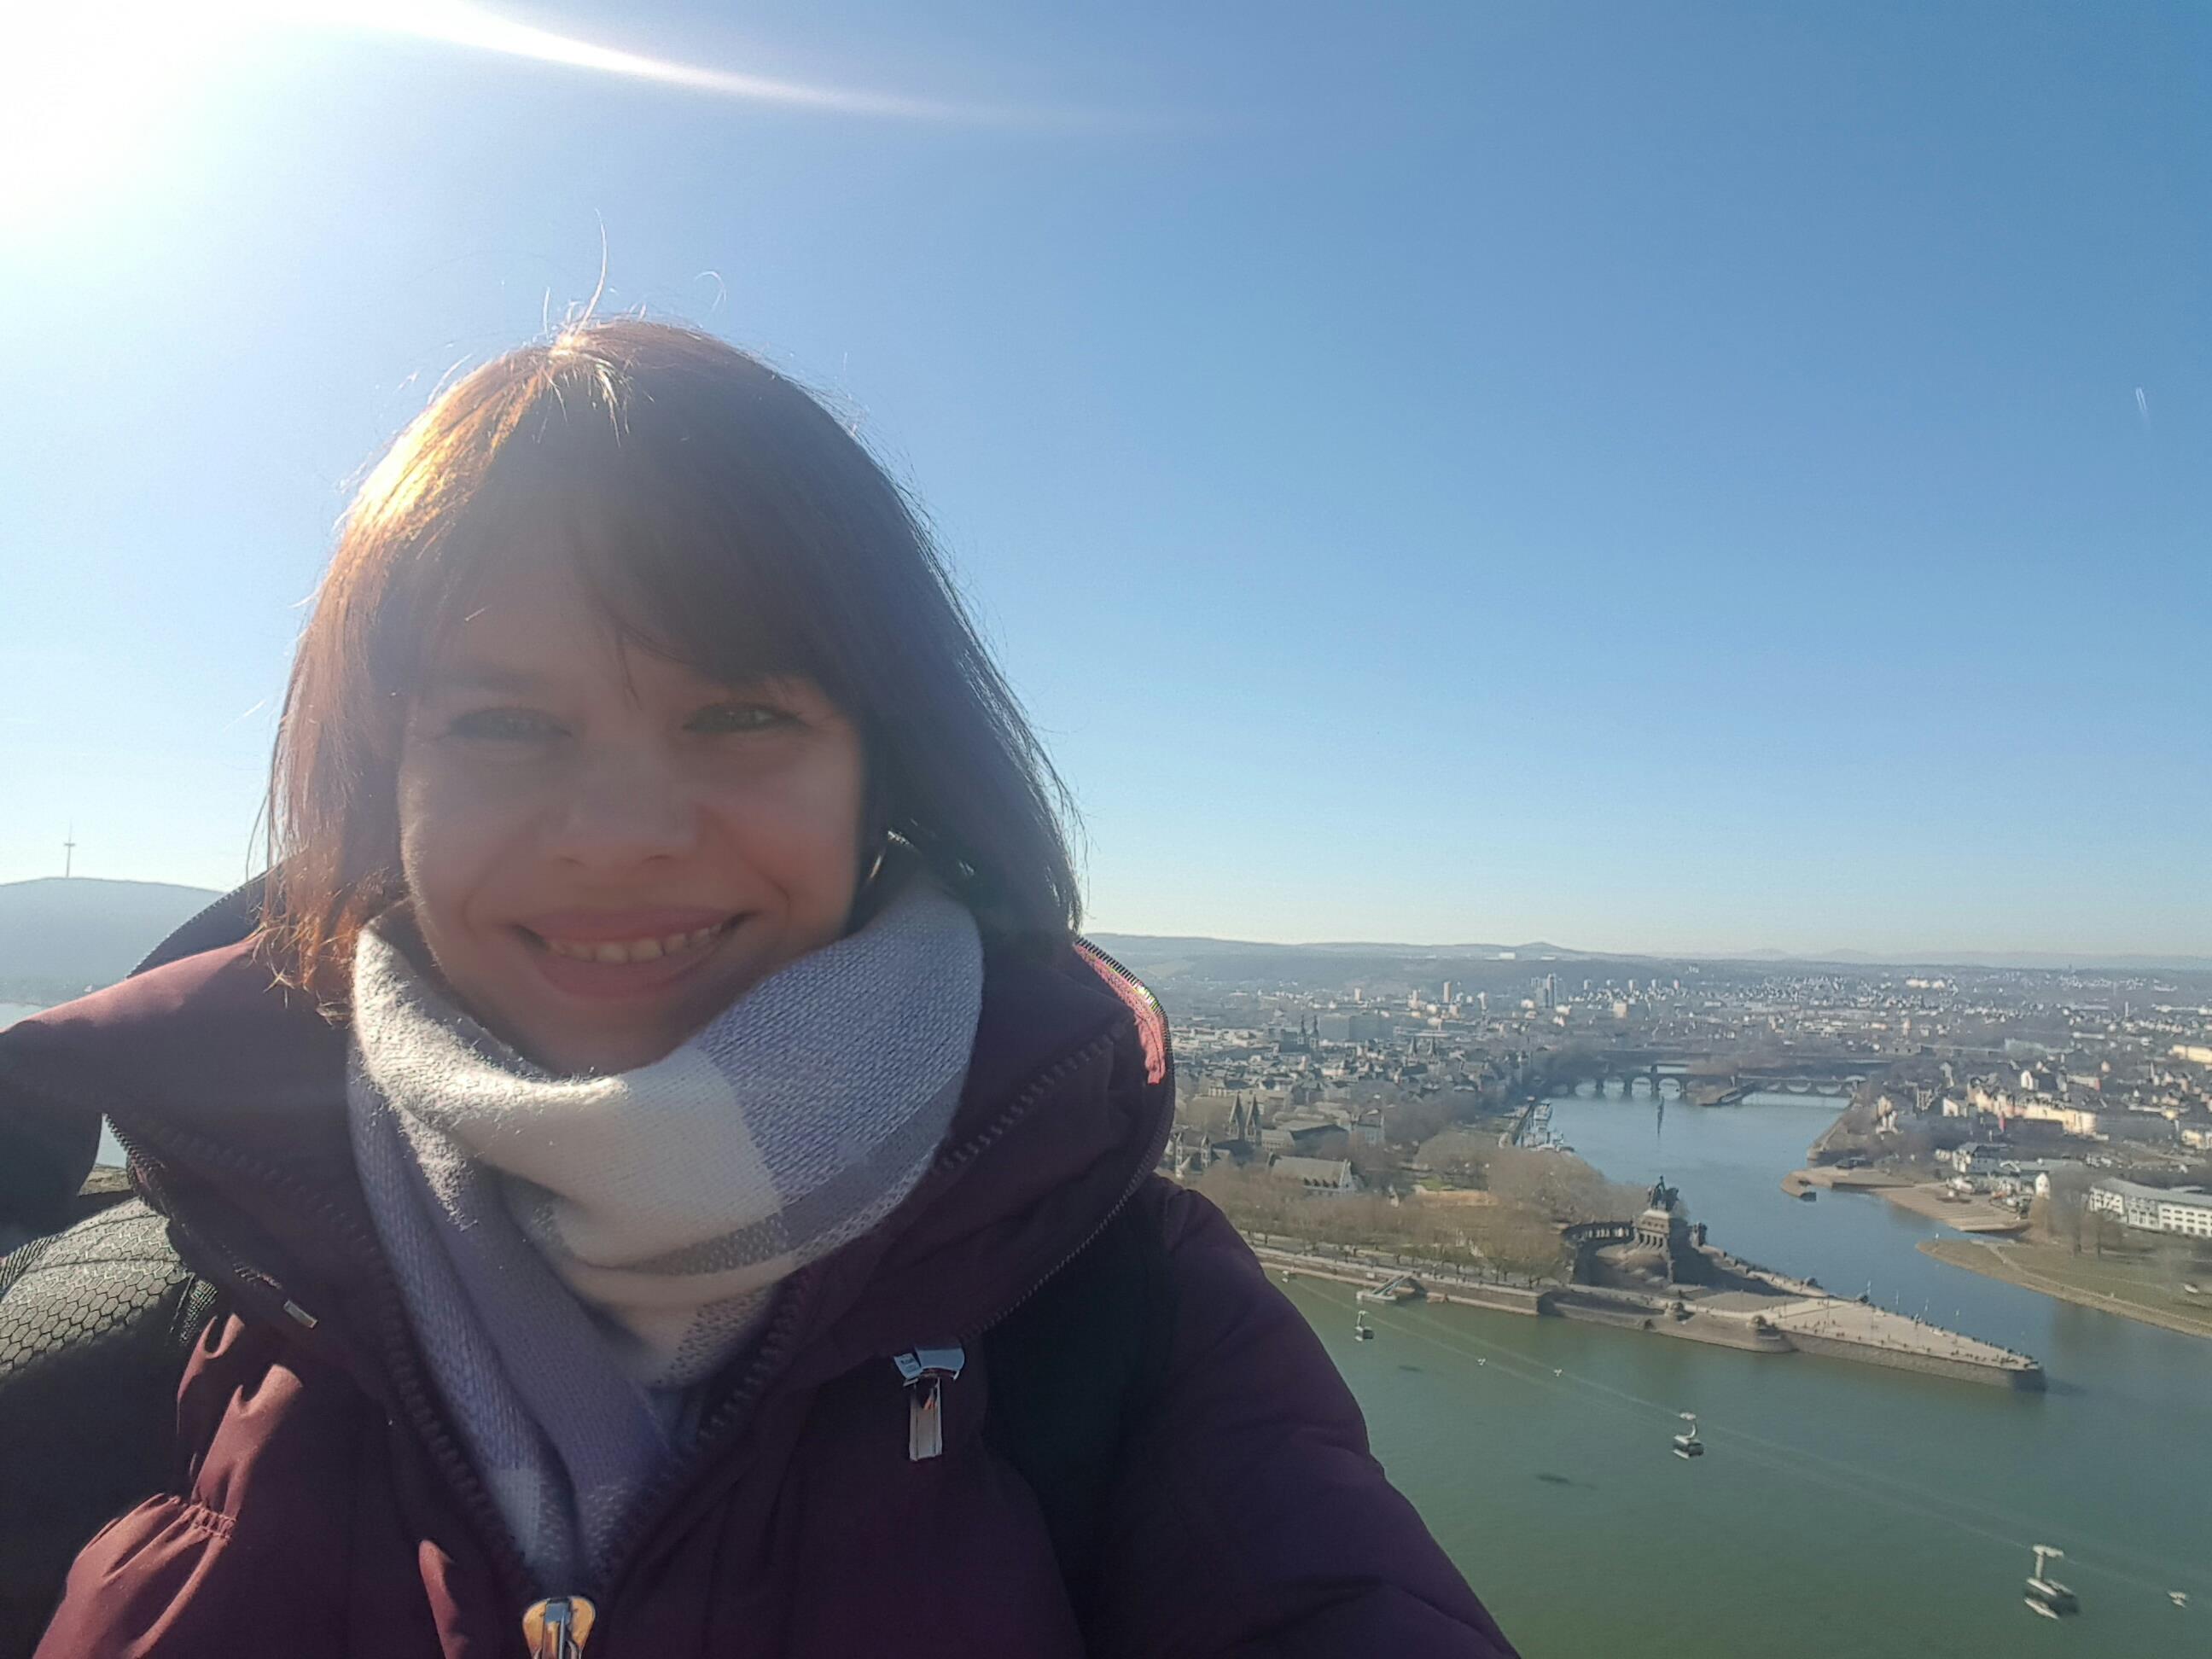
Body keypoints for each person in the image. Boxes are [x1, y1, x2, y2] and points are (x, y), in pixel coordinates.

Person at [0, 320, 1516, 1657]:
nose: (619, 836)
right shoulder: (139, 1309)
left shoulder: (1131, 1323)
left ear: (886, 777)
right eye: (506, 724)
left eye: (736, 714)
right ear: (379, 786)